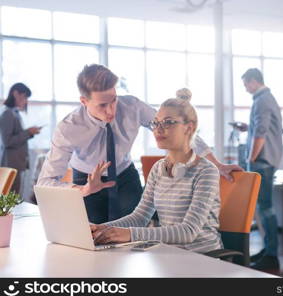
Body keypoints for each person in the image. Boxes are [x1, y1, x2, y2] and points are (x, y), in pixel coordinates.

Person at [37, 64, 240, 224]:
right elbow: (45, 182)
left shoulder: (132, 107)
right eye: (102, 105)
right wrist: (82, 190)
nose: (111, 111)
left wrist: (217, 164)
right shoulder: (68, 129)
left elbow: (176, 128)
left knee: (133, 236)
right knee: (93, 239)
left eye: (114, 100)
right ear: (84, 101)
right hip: (87, 181)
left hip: (125, 176)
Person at [90, 91, 222, 253]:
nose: (158, 129)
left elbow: (188, 232)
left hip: (203, 257)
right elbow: (140, 217)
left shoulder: (206, 172)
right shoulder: (158, 169)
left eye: (168, 123)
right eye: (155, 123)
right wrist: (102, 228)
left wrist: (129, 234)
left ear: (189, 128)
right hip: (169, 254)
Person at [240, 68, 283, 270]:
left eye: (246, 84)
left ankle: (272, 254)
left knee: (265, 208)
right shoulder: (268, 98)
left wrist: (250, 158)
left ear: (253, 81)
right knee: (264, 207)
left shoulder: (262, 100)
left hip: (261, 162)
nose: (246, 89)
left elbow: (261, 132)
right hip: (268, 159)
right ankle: (268, 250)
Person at [0, 83, 41, 194]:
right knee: (12, 199)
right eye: (25, 97)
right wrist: (28, 132)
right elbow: (7, 141)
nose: (26, 101)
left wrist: (29, 133)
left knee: (15, 197)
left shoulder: (14, 113)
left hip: (16, 163)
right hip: (10, 164)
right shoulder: (7, 113)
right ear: (15, 94)